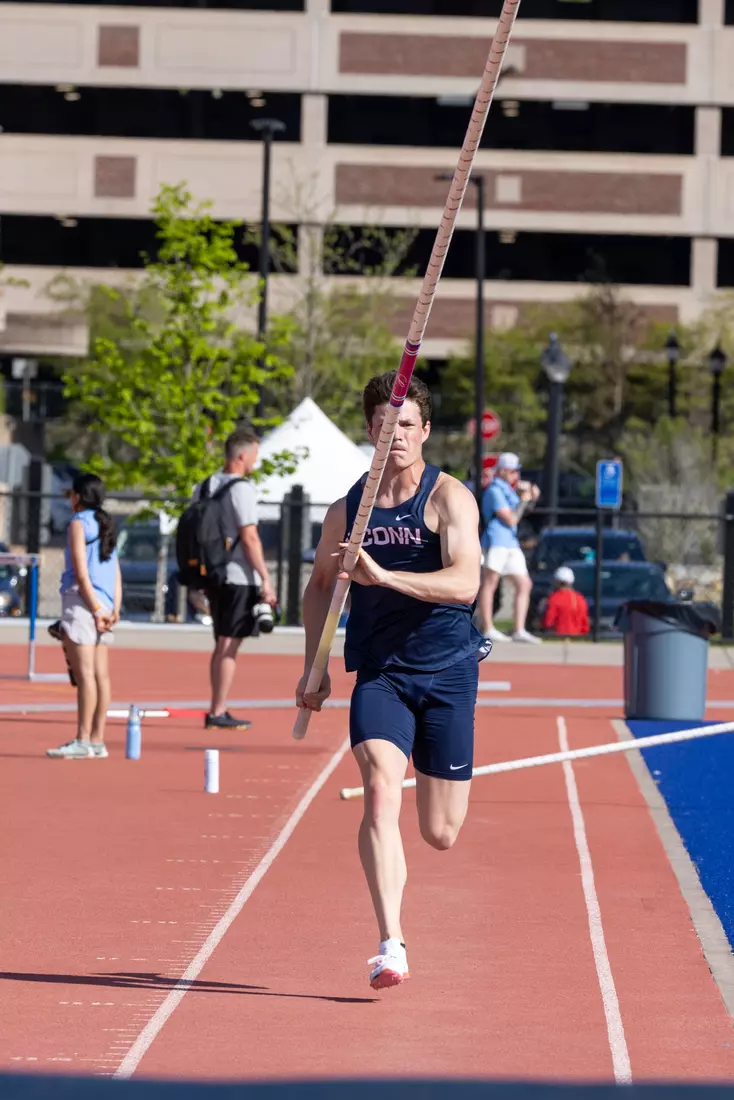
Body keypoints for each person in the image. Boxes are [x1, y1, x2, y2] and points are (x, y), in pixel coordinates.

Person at [296, 372, 486, 990]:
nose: (395, 434)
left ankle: (397, 926)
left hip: (448, 671)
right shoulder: (346, 510)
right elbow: (319, 587)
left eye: (406, 424)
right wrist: (315, 663)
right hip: (381, 673)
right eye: (384, 424)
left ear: (425, 431)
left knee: (440, 832)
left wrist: (382, 577)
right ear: (369, 430)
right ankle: (390, 943)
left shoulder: (449, 498)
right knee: (380, 788)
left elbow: (465, 583)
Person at [191, 425, 277, 731]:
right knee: (228, 645)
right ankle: (217, 710)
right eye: (254, 456)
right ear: (241, 456)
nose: (255, 462)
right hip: (238, 576)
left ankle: (218, 707)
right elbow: (249, 537)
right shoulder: (242, 489)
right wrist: (265, 578)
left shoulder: (203, 486)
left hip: (212, 575)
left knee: (222, 642)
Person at [47, 474, 122, 760]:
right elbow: (115, 571)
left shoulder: (78, 523)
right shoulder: (106, 523)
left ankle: (82, 739)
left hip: (83, 603)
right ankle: (97, 740)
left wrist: (94, 610)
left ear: (78, 497)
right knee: (101, 676)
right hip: (105, 602)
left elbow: (81, 572)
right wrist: (113, 608)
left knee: (85, 675)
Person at [477, 453, 540, 644]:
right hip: (496, 540)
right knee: (490, 583)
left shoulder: (509, 490)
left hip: (510, 542)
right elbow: (511, 518)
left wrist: (531, 497)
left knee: (524, 583)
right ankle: (487, 628)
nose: (516, 475)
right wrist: (524, 500)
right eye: (513, 471)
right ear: (503, 471)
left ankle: (519, 629)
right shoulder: (494, 490)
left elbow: (522, 512)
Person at [542, 566, 590, 637]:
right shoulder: (580, 598)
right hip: (578, 637)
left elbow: (547, 622)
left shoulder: (554, 598)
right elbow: (585, 625)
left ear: (556, 582)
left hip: (557, 637)